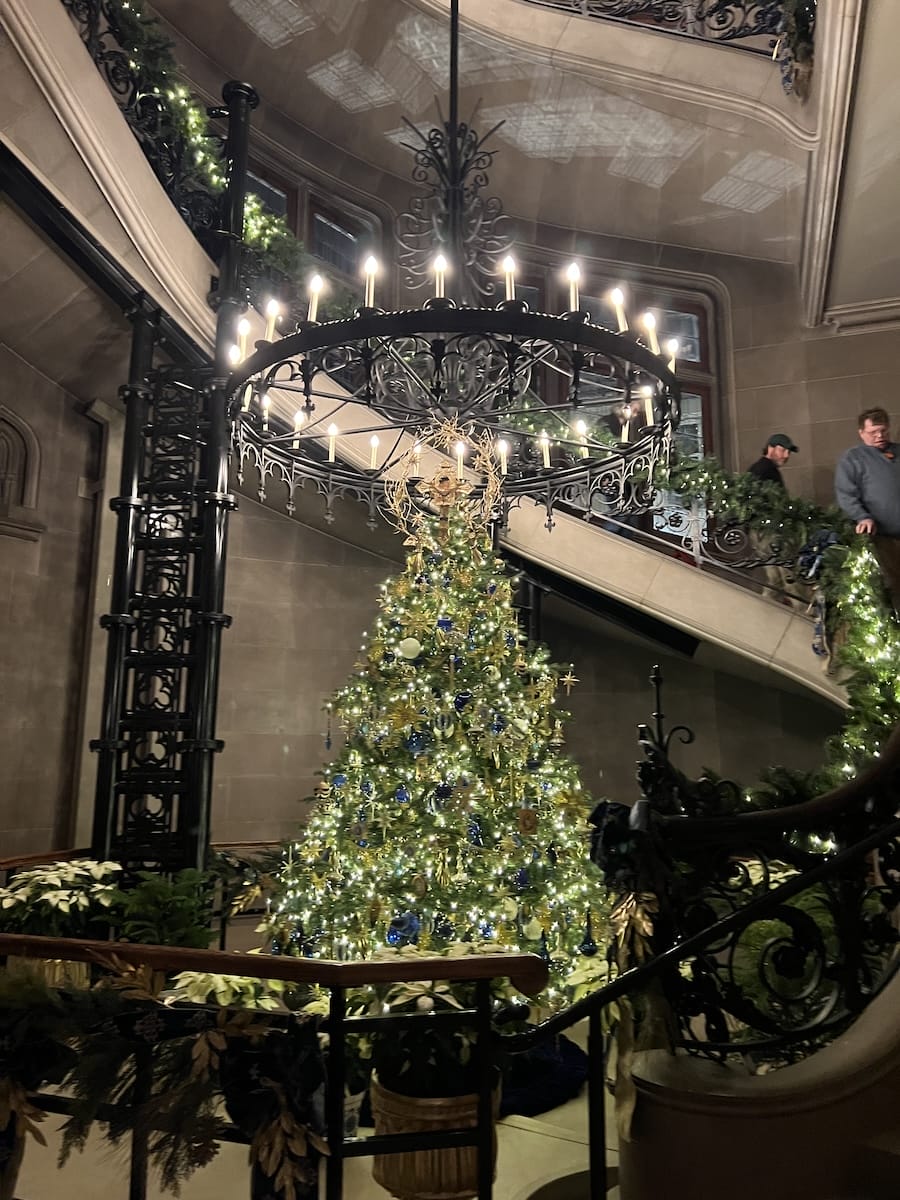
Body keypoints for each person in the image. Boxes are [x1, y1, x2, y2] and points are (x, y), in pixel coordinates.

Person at [834, 407, 900, 607]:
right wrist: (862, 516)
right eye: (873, 432)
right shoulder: (852, 458)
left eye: (883, 431)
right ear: (861, 433)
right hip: (882, 536)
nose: (880, 436)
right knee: (894, 584)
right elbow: (846, 493)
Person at [745, 433, 800, 602]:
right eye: (782, 450)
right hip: (768, 530)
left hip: (761, 530)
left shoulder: (762, 468)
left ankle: (765, 610)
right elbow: (752, 499)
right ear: (770, 448)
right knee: (788, 572)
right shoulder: (765, 469)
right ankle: (806, 615)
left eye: (788, 452)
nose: (786, 455)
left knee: (775, 579)